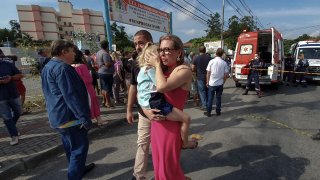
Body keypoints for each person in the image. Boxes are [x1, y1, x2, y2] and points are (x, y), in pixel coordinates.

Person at [41, 40, 95, 179]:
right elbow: (71, 96)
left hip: (58, 116)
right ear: (64, 52)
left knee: (70, 147)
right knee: (79, 149)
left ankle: (80, 169)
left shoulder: (48, 66)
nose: (74, 54)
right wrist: (84, 118)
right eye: (72, 51)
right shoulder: (63, 68)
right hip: (70, 117)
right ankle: (75, 174)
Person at [145, 34, 194, 180]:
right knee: (159, 165)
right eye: (161, 50)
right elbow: (146, 93)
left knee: (168, 169)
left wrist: (157, 65)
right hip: (157, 124)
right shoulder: (163, 71)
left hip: (171, 128)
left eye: (167, 50)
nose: (162, 53)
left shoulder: (183, 71)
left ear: (179, 52)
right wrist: (147, 112)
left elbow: (161, 87)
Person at [137, 42, 197, 149]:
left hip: (149, 104)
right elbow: (161, 86)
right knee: (186, 118)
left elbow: (139, 90)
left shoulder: (142, 70)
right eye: (160, 52)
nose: (162, 55)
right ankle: (185, 143)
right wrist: (157, 66)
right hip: (156, 104)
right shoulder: (151, 70)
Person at [126, 30, 155, 180]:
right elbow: (133, 86)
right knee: (142, 143)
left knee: (160, 144)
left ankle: (165, 172)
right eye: (135, 43)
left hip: (160, 112)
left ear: (150, 42)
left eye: (141, 42)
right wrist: (129, 109)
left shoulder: (159, 59)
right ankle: (138, 176)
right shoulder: (136, 62)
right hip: (143, 113)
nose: (137, 46)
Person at [72, 49, 108, 126]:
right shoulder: (82, 66)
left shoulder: (70, 67)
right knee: (94, 103)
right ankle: (99, 121)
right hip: (88, 89)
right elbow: (89, 79)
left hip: (77, 90)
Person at [0, 49, 23, 146]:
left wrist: (11, 78)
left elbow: (19, 75)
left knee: (18, 112)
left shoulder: (8, 64)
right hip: (1, 97)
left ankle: (12, 127)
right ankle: (14, 135)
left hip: (13, 93)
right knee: (7, 117)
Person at [204, 48, 229, 117]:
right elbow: (226, 74)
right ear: (222, 54)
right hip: (220, 83)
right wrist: (223, 81)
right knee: (218, 98)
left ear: (216, 53)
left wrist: (207, 82)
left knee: (210, 98)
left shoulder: (211, 61)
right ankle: (218, 111)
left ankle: (209, 112)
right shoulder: (224, 63)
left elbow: (208, 73)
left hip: (212, 83)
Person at [96, 40, 115, 107]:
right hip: (106, 73)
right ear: (106, 45)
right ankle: (108, 103)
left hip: (101, 72)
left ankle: (104, 101)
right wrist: (113, 62)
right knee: (107, 88)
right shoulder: (105, 53)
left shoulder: (98, 52)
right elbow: (107, 64)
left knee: (103, 88)